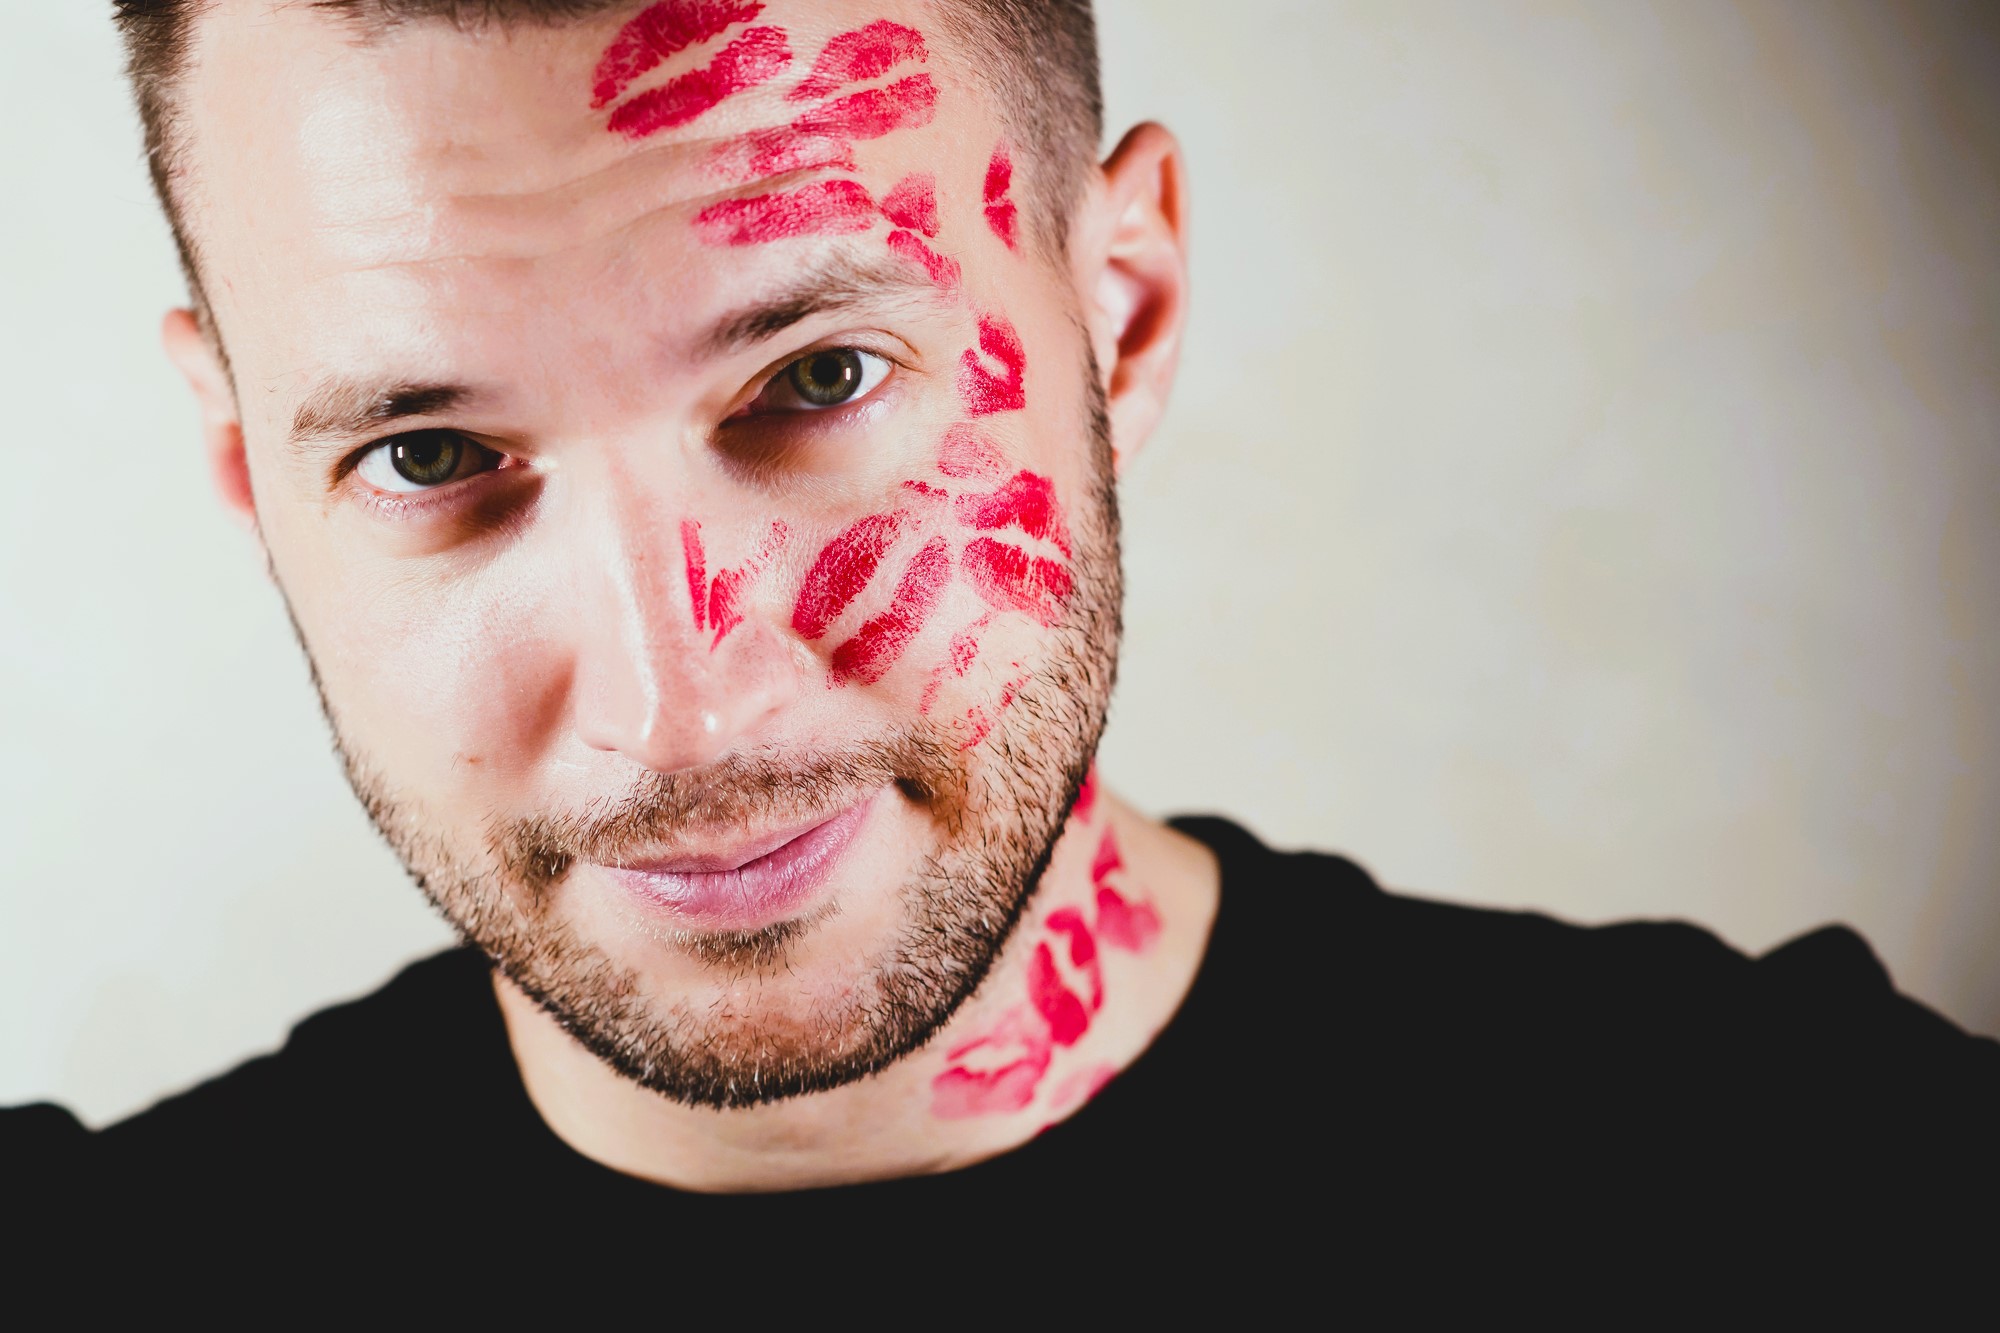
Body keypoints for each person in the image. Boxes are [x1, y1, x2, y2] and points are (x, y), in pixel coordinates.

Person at [8, 0, 1995, 1240]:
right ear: (246, 466)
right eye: (436, 456)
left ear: (1116, 311)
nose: (677, 706)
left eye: (815, 382)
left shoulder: (1812, 1181)